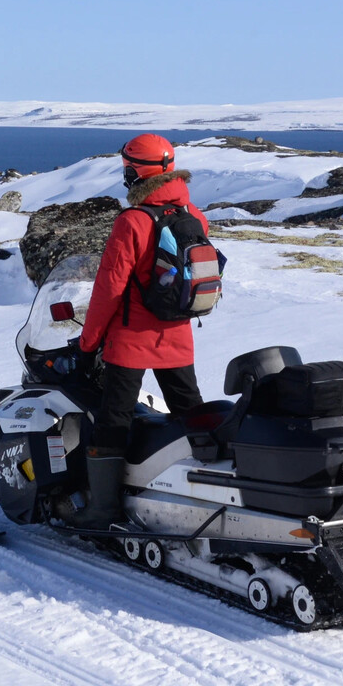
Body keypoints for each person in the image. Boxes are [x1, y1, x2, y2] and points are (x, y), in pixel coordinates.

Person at [71, 134, 207, 528]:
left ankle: (103, 510)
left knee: (113, 420)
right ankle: (202, 496)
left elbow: (108, 290)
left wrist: (88, 342)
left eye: (126, 167)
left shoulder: (132, 221)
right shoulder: (194, 216)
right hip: (178, 335)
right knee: (192, 418)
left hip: (130, 341)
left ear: (135, 172)